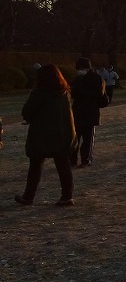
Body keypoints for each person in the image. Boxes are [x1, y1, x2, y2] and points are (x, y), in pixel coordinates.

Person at [15, 63, 76, 206]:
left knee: (36, 165)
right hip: (61, 134)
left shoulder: (40, 94)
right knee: (63, 165)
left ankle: (28, 196)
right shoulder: (64, 93)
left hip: (41, 134)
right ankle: (67, 196)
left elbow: (27, 113)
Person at [70, 57, 107, 168]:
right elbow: (100, 95)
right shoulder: (96, 78)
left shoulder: (78, 79)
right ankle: (85, 160)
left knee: (77, 138)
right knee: (87, 138)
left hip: (79, 111)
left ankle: (74, 160)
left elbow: (73, 93)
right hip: (90, 111)